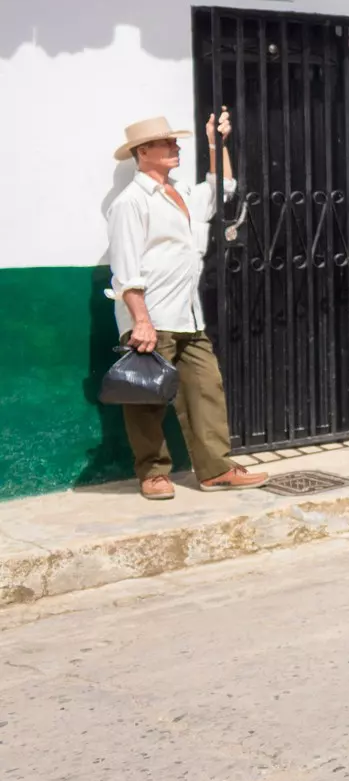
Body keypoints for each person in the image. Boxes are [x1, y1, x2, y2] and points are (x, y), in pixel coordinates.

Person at [107, 112, 268, 500]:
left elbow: (223, 185)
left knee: (206, 388)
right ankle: (153, 474)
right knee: (146, 401)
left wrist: (217, 142)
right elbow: (126, 270)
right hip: (151, 317)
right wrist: (140, 321)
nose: (176, 147)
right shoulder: (130, 203)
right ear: (143, 152)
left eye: (175, 142)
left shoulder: (182, 193)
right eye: (167, 143)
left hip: (188, 316)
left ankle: (215, 470)